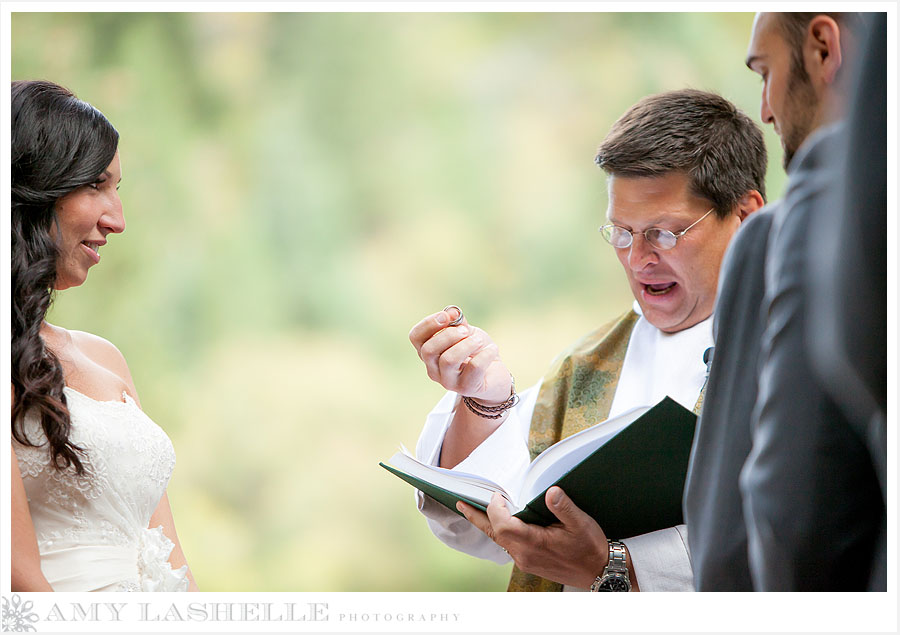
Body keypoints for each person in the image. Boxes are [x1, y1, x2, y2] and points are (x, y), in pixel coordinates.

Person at [409, 89, 766, 591]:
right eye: (621, 232)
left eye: (664, 233)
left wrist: (614, 568)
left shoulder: (800, 350)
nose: (638, 258)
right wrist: (484, 399)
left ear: (748, 217)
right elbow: (478, 528)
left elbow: (811, 537)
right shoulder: (591, 364)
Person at [683, 11, 884, 591]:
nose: (765, 110)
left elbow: (769, 527)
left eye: (765, 72)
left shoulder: (782, 234)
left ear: (824, 48)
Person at [11, 80, 197, 592]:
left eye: (117, 188)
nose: (117, 219)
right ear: (34, 186)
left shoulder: (106, 359)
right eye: (95, 185)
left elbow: (170, 559)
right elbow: (18, 574)